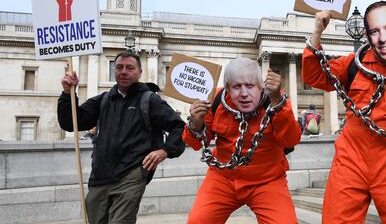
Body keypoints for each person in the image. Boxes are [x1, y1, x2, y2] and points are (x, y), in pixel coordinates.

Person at [302, 1, 386, 223]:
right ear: (367, 36)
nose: (383, 38)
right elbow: (314, 75)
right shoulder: (353, 65)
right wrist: (317, 32)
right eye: (375, 31)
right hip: (350, 162)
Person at [58, 51, 186, 224]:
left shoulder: (150, 100)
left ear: (139, 72)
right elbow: (70, 122)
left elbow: (179, 127)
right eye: (119, 67)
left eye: (129, 68)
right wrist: (67, 93)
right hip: (99, 177)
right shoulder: (104, 100)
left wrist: (164, 151)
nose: (123, 71)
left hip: (131, 175)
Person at [183, 57, 301, 224]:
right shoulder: (215, 100)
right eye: (237, 87)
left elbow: (291, 140)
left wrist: (277, 103)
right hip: (223, 179)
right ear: (228, 89)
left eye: (250, 86)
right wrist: (195, 123)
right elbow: (195, 144)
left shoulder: (276, 100)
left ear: (260, 87)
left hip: (266, 181)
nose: (244, 93)